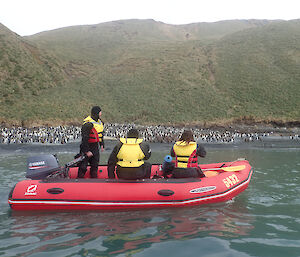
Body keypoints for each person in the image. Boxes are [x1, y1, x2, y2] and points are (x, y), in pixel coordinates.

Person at [77, 106, 104, 178]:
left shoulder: (100, 122)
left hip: (95, 147)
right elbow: (84, 138)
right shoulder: (88, 124)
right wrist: (86, 151)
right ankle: (79, 181)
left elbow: (101, 135)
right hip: (87, 146)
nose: (101, 114)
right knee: (83, 167)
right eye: (100, 112)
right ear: (97, 113)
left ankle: (94, 182)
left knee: (95, 166)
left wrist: (102, 144)